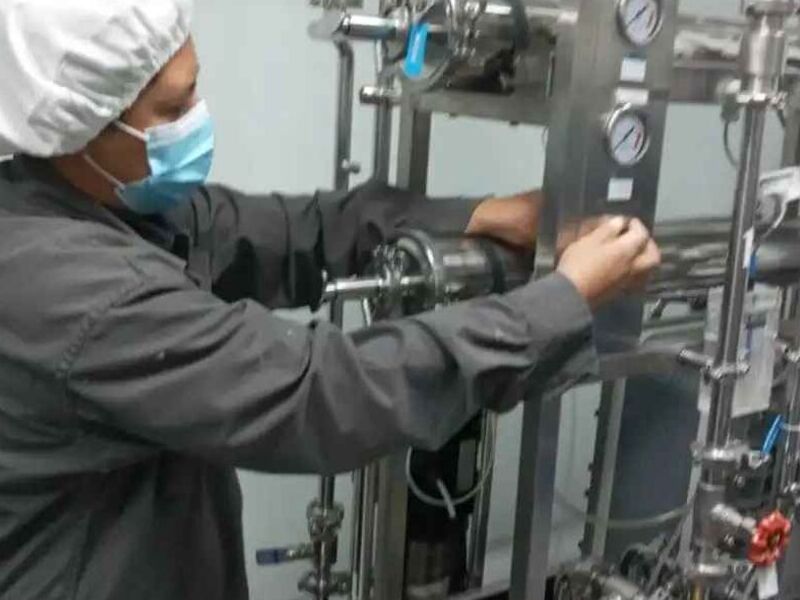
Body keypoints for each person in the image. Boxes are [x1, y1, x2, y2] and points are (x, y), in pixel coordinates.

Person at [0, 1, 661, 598]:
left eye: (194, 90)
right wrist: (558, 305)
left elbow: (298, 229)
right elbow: (315, 394)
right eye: (173, 111)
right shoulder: (72, 292)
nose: (197, 119)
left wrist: (475, 214)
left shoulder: (98, 200)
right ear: (83, 129)